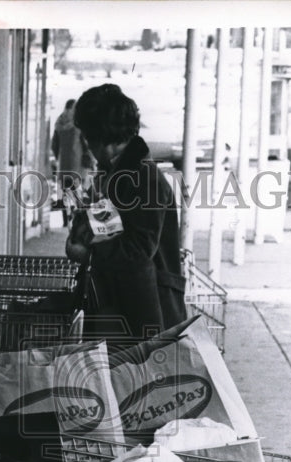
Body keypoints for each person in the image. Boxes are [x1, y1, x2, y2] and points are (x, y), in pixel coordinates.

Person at [65, 84, 187, 357]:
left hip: (143, 315)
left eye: (86, 135)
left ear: (100, 136)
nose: (85, 144)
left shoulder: (145, 179)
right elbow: (107, 230)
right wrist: (85, 230)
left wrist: (87, 251)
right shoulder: (115, 174)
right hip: (124, 310)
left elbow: (137, 251)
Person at [51, 99, 95, 224]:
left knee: (65, 193)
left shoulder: (59, 123)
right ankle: (78, 219)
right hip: (78, 165)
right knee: (78, 192)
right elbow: (86, 144)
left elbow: (54, 145)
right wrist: (90, 158)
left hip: (64, 165)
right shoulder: (78, 123)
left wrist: (60, 157)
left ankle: (66, 221)